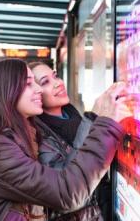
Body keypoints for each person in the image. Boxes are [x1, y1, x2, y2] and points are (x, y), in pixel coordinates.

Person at [0, 59, 131, 221]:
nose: (38, 89)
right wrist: (104, 124)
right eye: (28, 83)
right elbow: (67, 193)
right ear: (6, 92)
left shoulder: (20, 134)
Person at [28, 61, 118, 220]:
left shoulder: (73, 114)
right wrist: (93, 120)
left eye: (54, 76)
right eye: (45, 82)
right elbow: (68, 186)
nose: (57, 83)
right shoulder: (39, 137)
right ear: (35, 93)